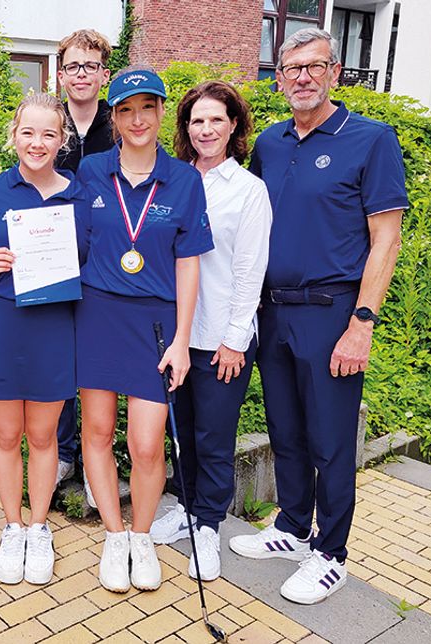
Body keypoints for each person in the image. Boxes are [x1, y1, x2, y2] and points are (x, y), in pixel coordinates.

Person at [228, 28, 406, 605]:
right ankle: (291, 526)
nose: (302, 77)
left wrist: (362, 323)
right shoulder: (271, 143)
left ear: (334, 72)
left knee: (330, 440)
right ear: (278, 78)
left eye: (314, 66)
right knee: (285, 429)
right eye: (291, 69)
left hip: (332, 314)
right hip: (271, 313)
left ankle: (331, 554)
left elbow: (386, 241)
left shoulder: (370, 140)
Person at [76, 66, 213, 593]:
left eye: (148, 108)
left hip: (156, 323)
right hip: (96, 314)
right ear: (114, 117)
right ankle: (114, 536)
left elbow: (189, 264)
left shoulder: (183, 179)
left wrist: (181, 340)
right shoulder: (90, 172)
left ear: (161, 113)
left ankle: (141, 534)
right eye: (126, 109)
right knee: (97, 431)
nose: (138, 119)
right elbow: (70, 243)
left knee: (147, 442)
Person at [149, 81, 271, 581]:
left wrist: (235, 338)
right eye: (197, 121)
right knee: (182, 436)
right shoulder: (171, 181)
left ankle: (208, 523)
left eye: (216, 120)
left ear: (234, 125)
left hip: (221, 337)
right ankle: (186, 505)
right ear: (185, 129)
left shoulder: (248, 191)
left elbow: (249, 269)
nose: (206, 129)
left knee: (214, 437)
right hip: (176, 335)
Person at [0, 93, 87, 585]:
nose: (37, 143)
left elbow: (94, 258)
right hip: (1, 322)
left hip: (55, 327)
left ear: (62, 140)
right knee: (4, 435)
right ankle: (12, 527)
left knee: (43, 437)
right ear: (14, 134)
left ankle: (39, 528)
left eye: (49, 134)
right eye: (28, 132)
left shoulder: (80, 194)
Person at [52, 28, 115, 501]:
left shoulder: (121, 124)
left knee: (98, 363)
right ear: (60, 73)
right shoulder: (46, 122)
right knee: (56, 360)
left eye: (90, 66)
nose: (81, 75)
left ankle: (100, 462)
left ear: (104, 74)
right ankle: (64, 454)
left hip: (109, 262)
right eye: (73, 66)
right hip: (52, 261)